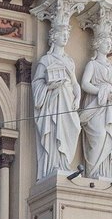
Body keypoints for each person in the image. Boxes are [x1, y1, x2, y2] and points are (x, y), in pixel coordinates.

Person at [33, 18, 81, 180]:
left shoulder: (69, 61)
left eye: (67, 34)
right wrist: (49, 87)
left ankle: (64, 163)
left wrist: (78, 98)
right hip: (53, 102)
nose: (66, 37)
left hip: (68, 99)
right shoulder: (45, 60)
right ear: (54, 37)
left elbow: (75, 83)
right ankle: (53, 164)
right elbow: (37, 83)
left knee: (74, 127)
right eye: (62, 34)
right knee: (54, 131)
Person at [81, 19, 112, 180]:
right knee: (99, 135)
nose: (109, 44)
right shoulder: (92, 65)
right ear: (98, 44)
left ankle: (105, 173)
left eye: (110, 42)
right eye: (106, 42)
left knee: (108, 136)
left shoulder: (111, 66)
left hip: (108, 107)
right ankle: (93, 174)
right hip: (95, 106)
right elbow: (85, 84)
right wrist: (102, 91)